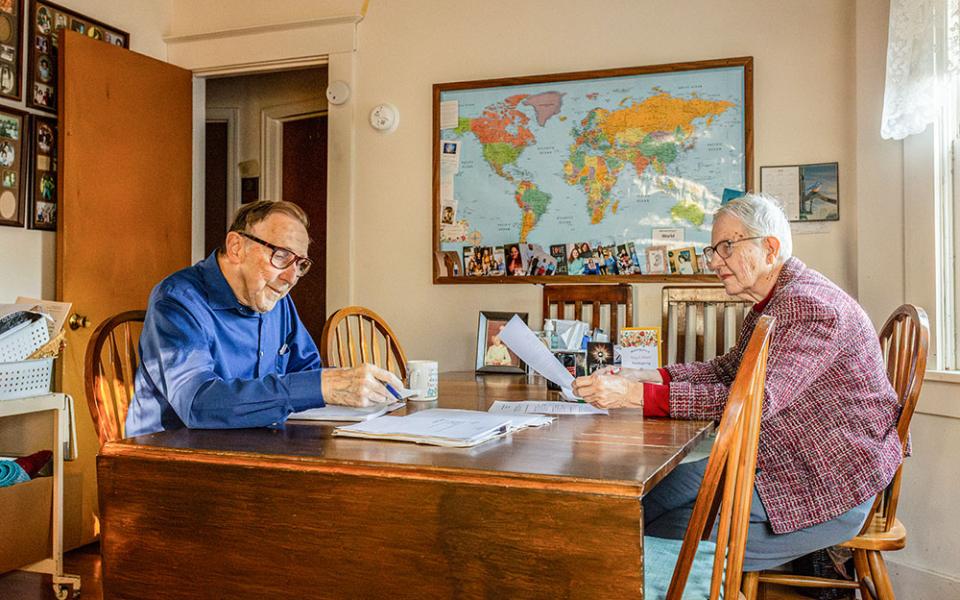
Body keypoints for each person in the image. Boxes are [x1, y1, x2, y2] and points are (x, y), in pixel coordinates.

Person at [572, 193, 903, 571]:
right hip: (774, 458)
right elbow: (727, 370)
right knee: (648, 500)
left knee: (657, 534)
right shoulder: (775, 301)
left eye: (726, 247)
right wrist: (648, 375)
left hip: (824, 481)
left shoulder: (809, 305)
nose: (714, 261)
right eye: (714, 249)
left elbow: (751, 402)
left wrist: (635, 396)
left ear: (770, 248)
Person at [126, 200, 403, 437]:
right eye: (281, 256)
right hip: (170, 458)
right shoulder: (178, 300)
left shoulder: (275, 299)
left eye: (300, 264)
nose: (291, 277)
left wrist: (346, 388)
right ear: (236, 247)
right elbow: (198, 403)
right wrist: (321, 385)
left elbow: (305, 369)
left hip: (254, 447)